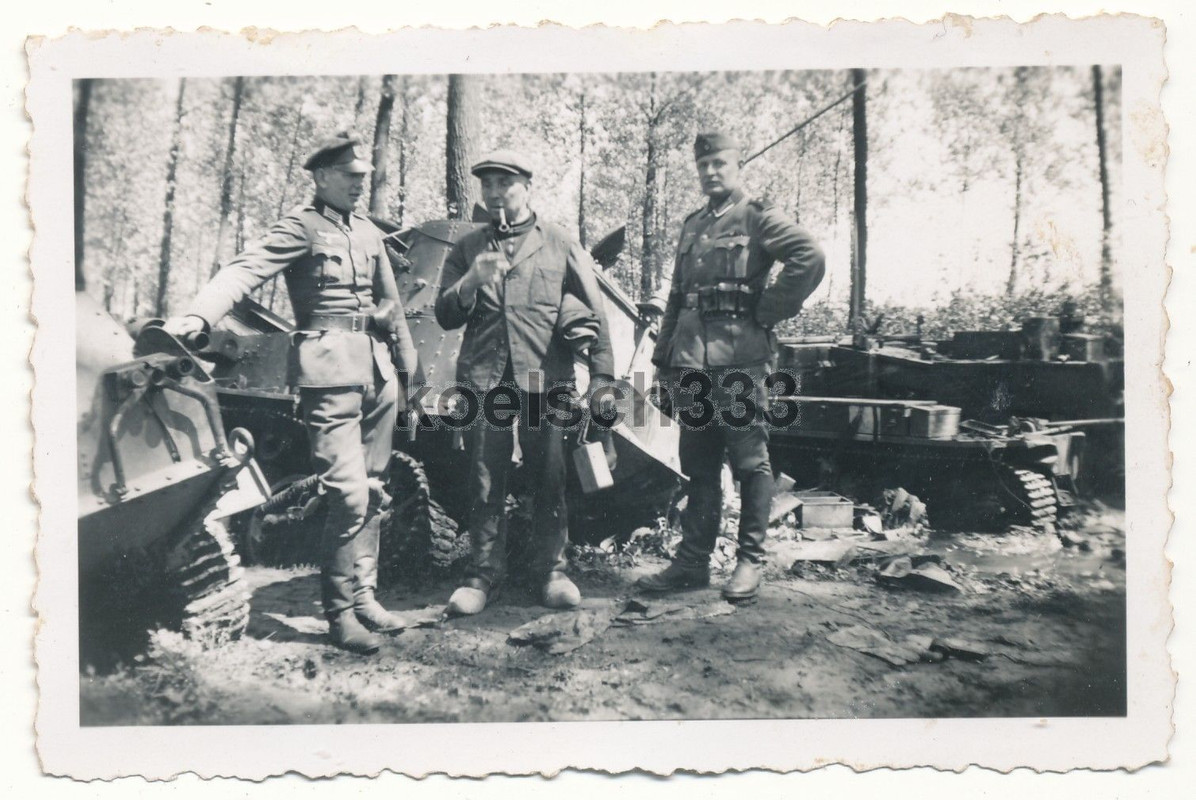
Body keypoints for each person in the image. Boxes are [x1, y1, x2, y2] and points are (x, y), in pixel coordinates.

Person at [164, 131, 417, 655]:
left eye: (362, 179)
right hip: (327, 375)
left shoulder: (369, 233)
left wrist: (408, 371)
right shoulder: (302, 228)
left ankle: (365, 598)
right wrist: (198, 314)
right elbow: (245, 269)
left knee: (374, 488)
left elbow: (393, 307)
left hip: (378, 373)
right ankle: (340, 614)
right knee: (347, 493)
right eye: (349, 177)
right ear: (322, 177)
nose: (357, 186)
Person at [636, 131, 826, 601]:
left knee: (749, 462)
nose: (710, 172)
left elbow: (810, 256)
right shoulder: (693, 225)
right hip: (691, 366)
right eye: (704, 165)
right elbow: (678, 298)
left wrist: (768, 310)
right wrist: (663, 362)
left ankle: (749, 562)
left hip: (740, 362)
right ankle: (692, 563)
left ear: (737, 166)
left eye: (719, 163)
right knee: (698, 464)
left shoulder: (757, 217)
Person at [434, 149, 615, 616]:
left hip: (544, 376)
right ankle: (481, 574)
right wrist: (471, 281)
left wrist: (601, 379)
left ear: (527, 187)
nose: (495, 193)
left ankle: (551, 571)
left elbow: (594, 312)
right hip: (486, 378)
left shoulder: (558, 242)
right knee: (484, 476)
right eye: (487, 185)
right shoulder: (468, 248)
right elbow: (445, 315)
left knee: (549, 475)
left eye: (505, 184)